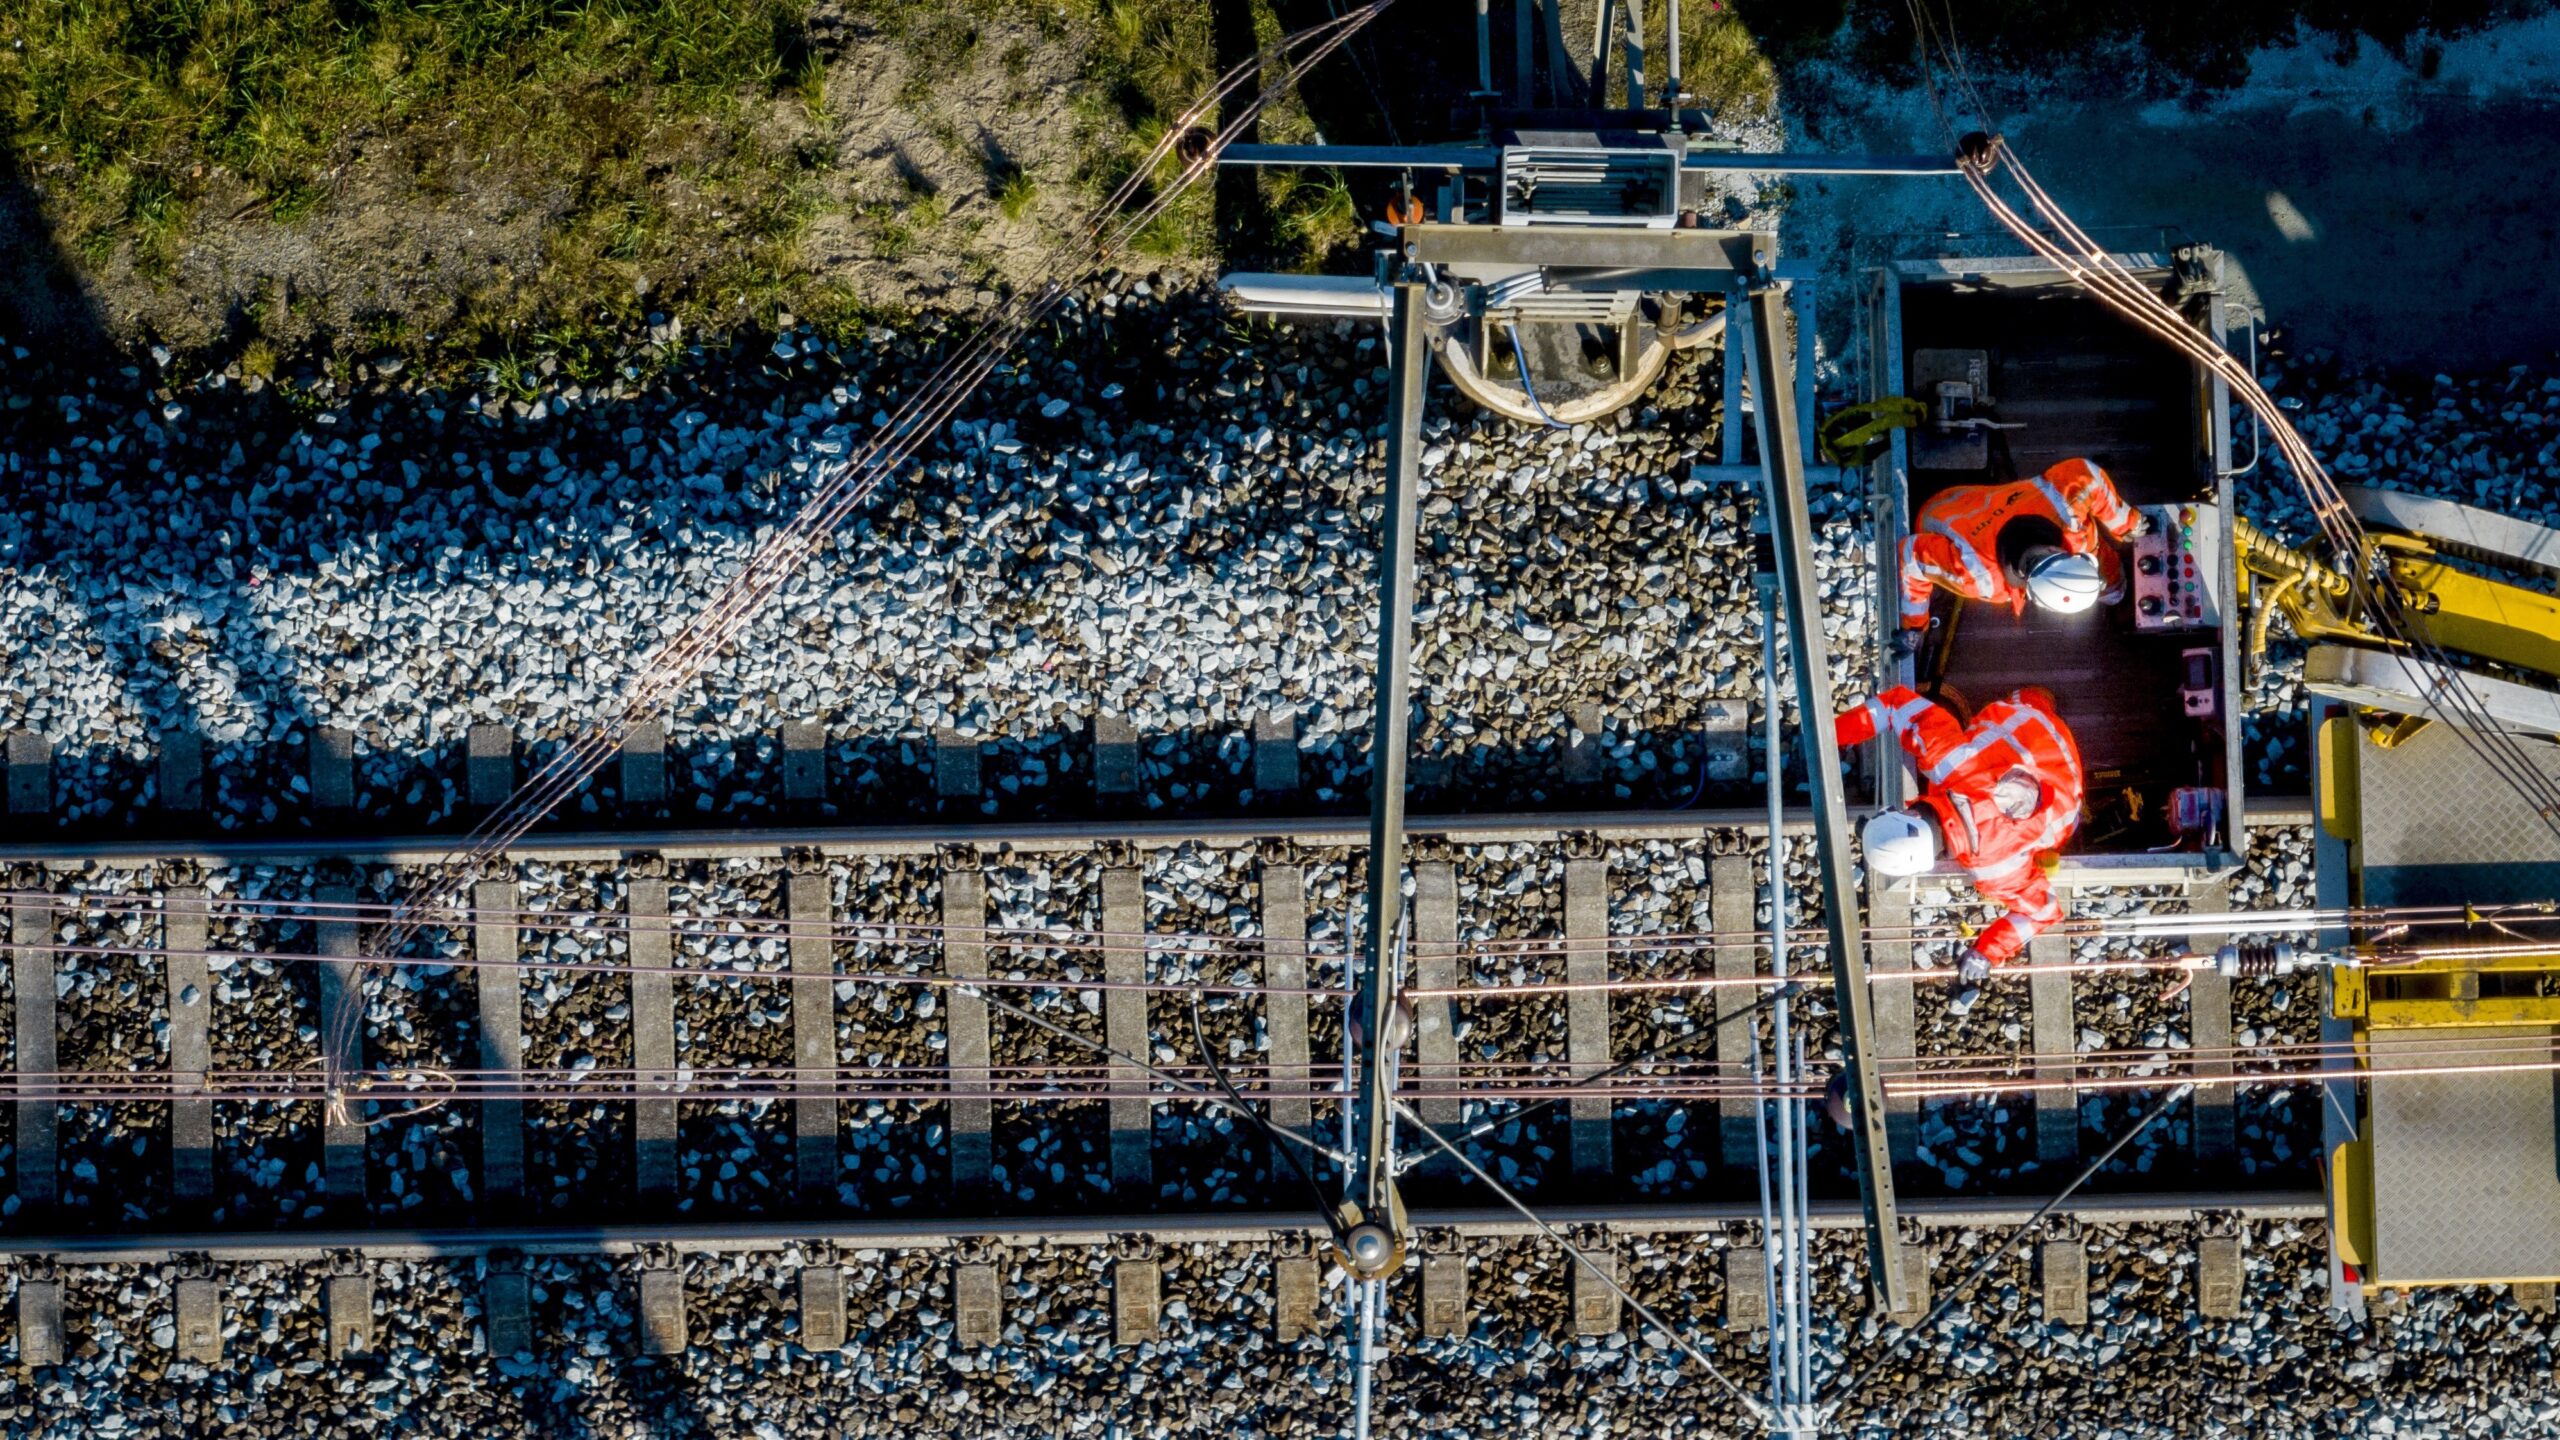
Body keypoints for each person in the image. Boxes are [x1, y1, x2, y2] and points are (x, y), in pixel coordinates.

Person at [1837, 684, 2086, 1010]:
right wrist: (1834, 736)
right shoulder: (1948, 761)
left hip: (2071, 795)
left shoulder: (1994, 867)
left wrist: (1986, 952)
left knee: (2048, 844)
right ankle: (2044, 695)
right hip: (2037, 722)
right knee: (2023, 701)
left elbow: (2042, 912)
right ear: (1909, 812)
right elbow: (1894, 705)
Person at [1893, 457, 2148, 653]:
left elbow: (2088, 475)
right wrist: (1914, 625)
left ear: (2054, 550)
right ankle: (2118, 598)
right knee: (2093, 550)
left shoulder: (2062, 503)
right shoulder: (1977, 574)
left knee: (2095, 552)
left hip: (1968, 500)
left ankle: (2118, 595)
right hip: (1942, 511)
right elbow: (1909, 555)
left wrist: (2126, 522)